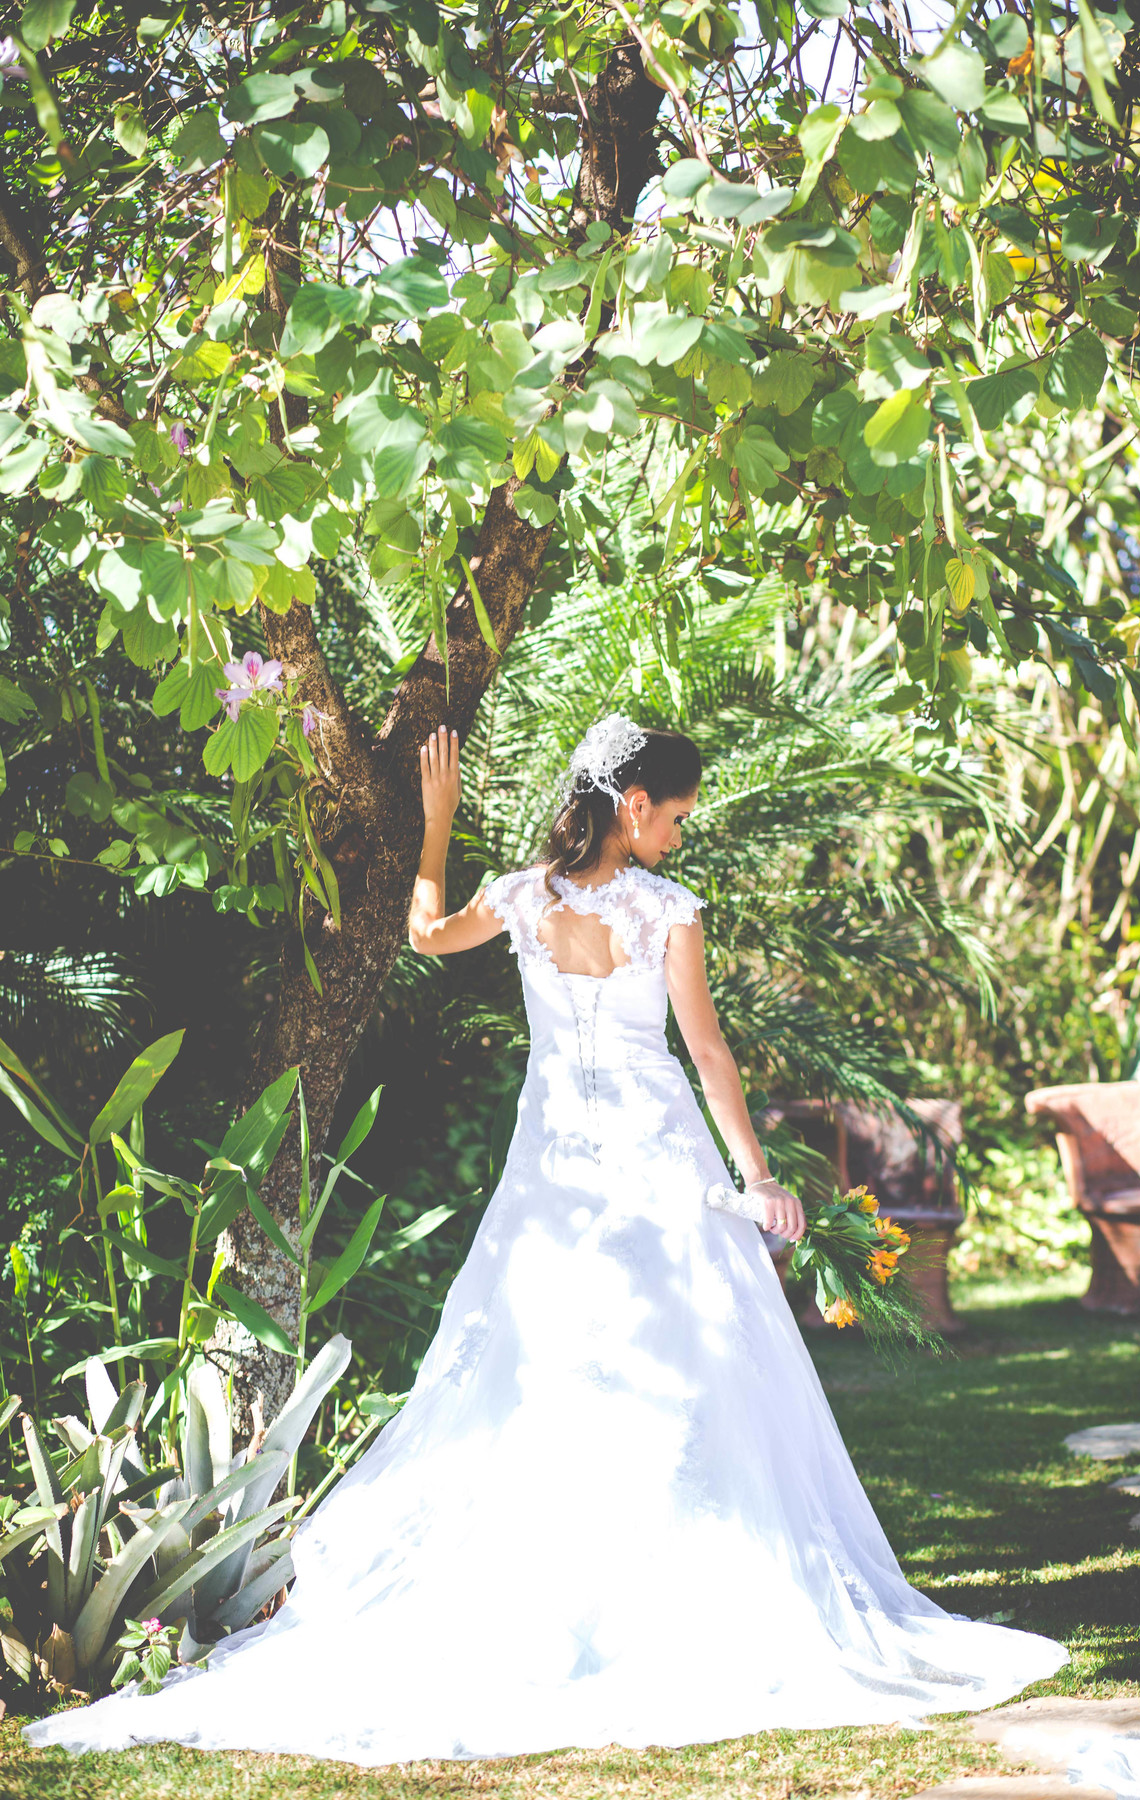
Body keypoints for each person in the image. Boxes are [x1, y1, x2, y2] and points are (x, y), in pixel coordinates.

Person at [23, 712, 1067, 1768]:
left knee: (556, 1367)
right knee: (688, 1361)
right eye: (675, 814)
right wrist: (754, 1172)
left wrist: (438, 828)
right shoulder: (666, 910)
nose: (678, 834)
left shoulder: (521, 896)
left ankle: (599, 1598)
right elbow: (706, 1052)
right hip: (654, 1156)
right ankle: (654, 1597)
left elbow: (426, 933)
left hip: (555, 1165)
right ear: (632, 805)